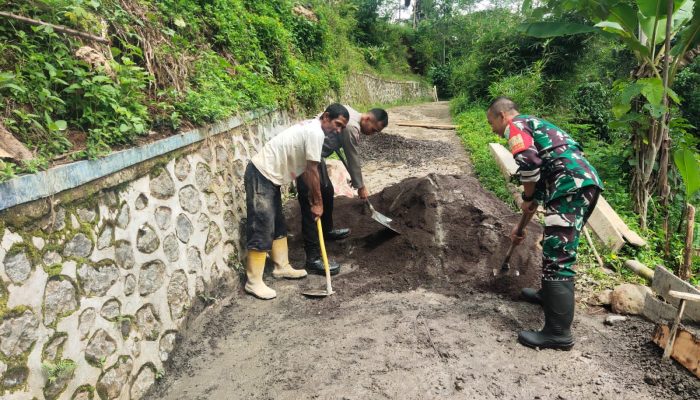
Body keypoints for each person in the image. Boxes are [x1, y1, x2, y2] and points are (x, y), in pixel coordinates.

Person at [486, 97, 603, 350]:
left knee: (558, 256)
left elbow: (529, 165)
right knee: (555, 247)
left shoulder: (516, 127)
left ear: (502, 115)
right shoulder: (535, 125)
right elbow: (537, 183)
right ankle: (547, 296)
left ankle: (558, 333)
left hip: (569, 187)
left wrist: (528, 196)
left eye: (491, 122)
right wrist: (521, 225)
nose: (492, 128)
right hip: (577, 183)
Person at [244, 104, 349, 300]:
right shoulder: (315, 133)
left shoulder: (313, 129)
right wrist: (318, 203)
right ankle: (253, 281)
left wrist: (313, 196)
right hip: (261, 174)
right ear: (326, 116)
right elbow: (311, 170)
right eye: (337, 124)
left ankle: (281, 266)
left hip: (271, 178)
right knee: (263, 224)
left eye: (342, 127)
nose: (338, 130)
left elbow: (306, 170)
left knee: (277, 223)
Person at [296, 106, 389, 275]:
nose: (373, 133)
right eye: (374, 130)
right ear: (367, 119)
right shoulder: (352, 128)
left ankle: (327, 230)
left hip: (317, 157)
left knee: (327, 191)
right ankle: (313, 258)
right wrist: (360, 186)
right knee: (311, 203)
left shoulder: (350, 112)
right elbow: (353, 157)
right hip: (305, 160)